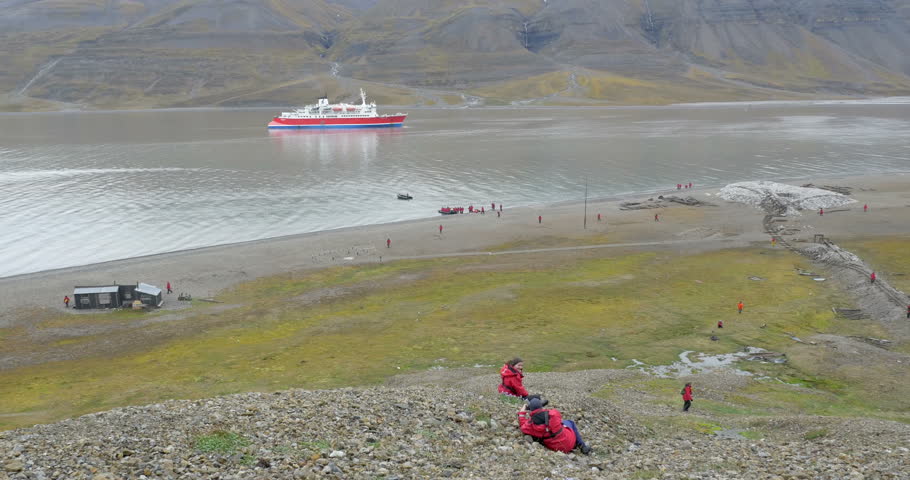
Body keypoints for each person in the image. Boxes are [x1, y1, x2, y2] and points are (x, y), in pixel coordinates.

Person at [518, 397, 592, 455]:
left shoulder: (530, 424)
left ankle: (578, 445)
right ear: (541, 406)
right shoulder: (553, 414)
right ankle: (582, 446)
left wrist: (522, 413)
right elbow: (556, 416)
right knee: (569, 422)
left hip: (555, 447)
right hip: (569, 441)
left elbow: (523, 427)